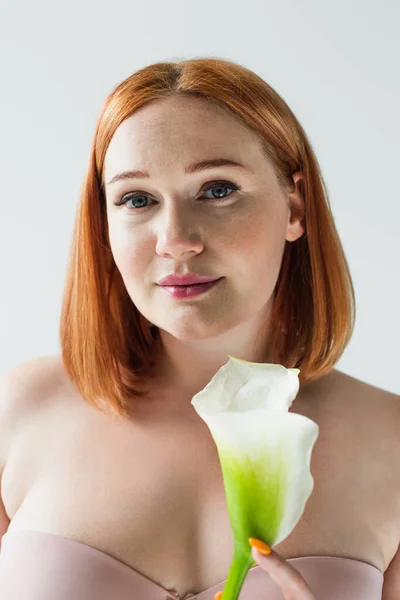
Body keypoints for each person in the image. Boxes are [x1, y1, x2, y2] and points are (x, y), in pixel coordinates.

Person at [0, 57, 399, 600]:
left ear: (294, 205)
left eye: (216, 190)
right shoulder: (20, 411)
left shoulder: (392, 442)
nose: (176, 239)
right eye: (137, 199)